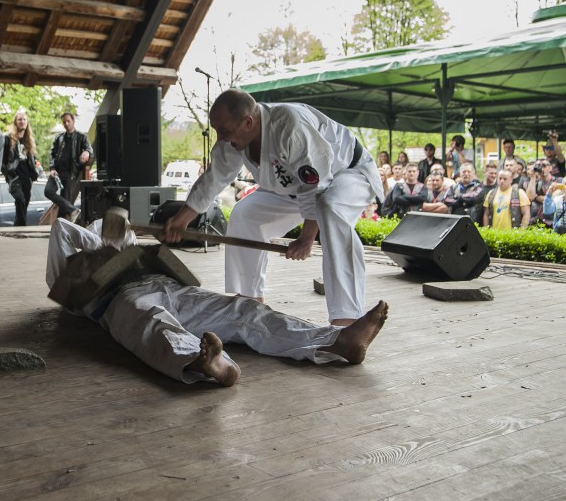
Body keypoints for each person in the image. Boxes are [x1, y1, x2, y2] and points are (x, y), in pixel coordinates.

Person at [47, 218, 389, 386]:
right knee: (152, 324)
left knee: (244, 309)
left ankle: (336, 341)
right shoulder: (72, 270)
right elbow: (63, 228)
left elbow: (126, 235)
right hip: (121, 298)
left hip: (170, 286)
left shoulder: (126, 239)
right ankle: (204, 364)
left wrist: (121, 239)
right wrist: (98, 242)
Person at [163, 89, 383, 326]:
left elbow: (316, 186)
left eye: (224, 132)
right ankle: (249, 298)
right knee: (245, 214)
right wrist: (182, 219)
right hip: (295, 188)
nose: (220, 138)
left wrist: (307, 238)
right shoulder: (236, 134)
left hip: (347, 174)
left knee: (330, 210)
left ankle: (348, 317)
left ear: (248, 122)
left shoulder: (290, 126)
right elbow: (215, 176)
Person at [45, 111, 92, 221]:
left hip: (71, 173)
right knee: (48, 191)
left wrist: (86, 152)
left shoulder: (81, 137)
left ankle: (59, 229)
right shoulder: (59, 138)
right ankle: (72, 210)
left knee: (64, 201)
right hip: (57, 172)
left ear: (73, 121)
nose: (66, 124)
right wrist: (52, 168)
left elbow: (89, 148)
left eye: (68, 121)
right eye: (64, 122)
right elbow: (52, 154)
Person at [2, 110, 39, 226]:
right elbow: (2, 160)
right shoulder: (8, 139)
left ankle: (18, 227)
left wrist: (35, 172)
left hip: (27, 177)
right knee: (20, 199)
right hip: (14, 176)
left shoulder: (29, 140)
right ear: (15, 122)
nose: (22, 121)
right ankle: (23, 227)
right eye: (19, 119)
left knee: (24, 203)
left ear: (27, 122)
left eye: (24, 119)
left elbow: (32, 159)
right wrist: (7, 174)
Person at [526, 158, 558, 226]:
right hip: (536, 219)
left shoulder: (557, 181)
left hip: (552, 219)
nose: (541, 168)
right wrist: (533, 177)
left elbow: (554, 199)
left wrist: (537, 197)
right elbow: (529, 198)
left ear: (550, 168)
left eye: (544, 165)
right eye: (538, 165)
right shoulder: (535, 182)